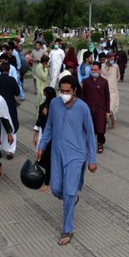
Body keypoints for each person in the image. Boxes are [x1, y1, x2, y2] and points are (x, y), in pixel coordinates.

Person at [36, 75, 97, 247]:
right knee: (56, 189)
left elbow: (90, 135)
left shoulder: (83, 108)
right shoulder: (55, 104)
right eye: (61, 91)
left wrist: (92, 159)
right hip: (57, 153)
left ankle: (67, 229)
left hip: (76, 155)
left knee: (69, 191)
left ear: (74, 90)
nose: (64, 94)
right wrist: (41, 146)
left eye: (67, 91)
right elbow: (48, 127)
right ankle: (70, 199)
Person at [81, 63, 110, 154]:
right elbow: (82, 96)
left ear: (99, 70)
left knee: (100, 128)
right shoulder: (85, 81)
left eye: (95, 70)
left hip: (101, 109)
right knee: (90, 128)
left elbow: (107, 97)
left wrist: (107, 111)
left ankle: (100, 143)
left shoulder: (104, 82)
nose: (93, 71)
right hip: (88, 109)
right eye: (92, 70)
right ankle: (89, 145)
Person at [33, 87, 56, 192]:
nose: (44, 97)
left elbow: (55, 123)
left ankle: (48, 182)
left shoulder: (56, 107)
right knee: (42, 158)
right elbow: (39, 121)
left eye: (45, 95)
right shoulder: (43, 106)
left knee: (47, 159)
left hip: (54, 137)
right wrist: (35, 135)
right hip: (44, 135)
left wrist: (47, 115)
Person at [102, 53, 120, 129]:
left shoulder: (116, 66)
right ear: (107, 58)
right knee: (104, 108)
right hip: (104, 90)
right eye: (111, 59)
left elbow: (118, 76)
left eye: (113, 59)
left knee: (111, 108)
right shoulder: (102, 66)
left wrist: (114, 82)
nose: (112, 60)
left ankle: (113, 120)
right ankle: (105, 121)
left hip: (113, 91)